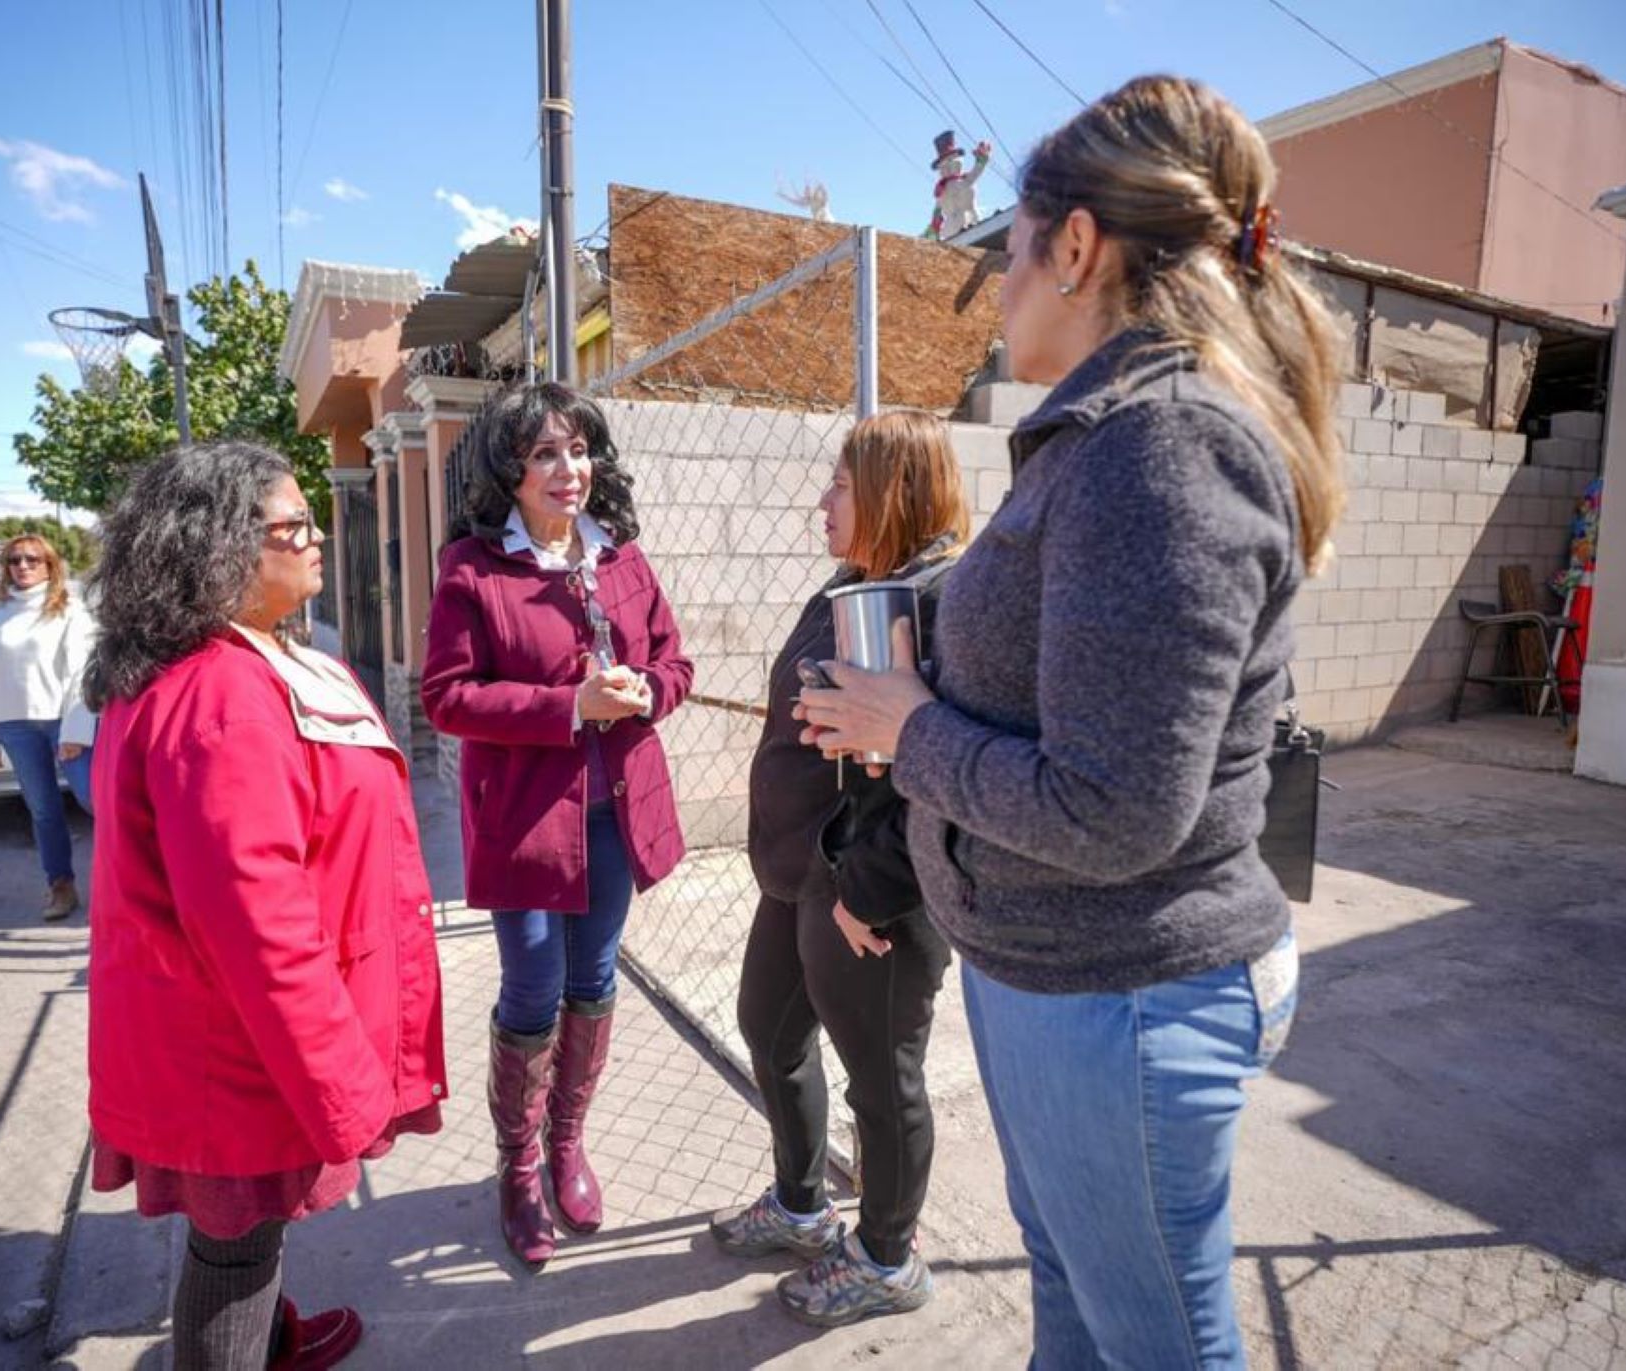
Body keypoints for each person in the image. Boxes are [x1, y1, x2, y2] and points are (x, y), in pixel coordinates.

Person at [797, 75, 1343, 1368]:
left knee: (1154, 1339)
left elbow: (1116, 806)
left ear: (1079, 246)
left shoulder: (1161, 451)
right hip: (1068, 983)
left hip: (1126, 998)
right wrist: (920, 699)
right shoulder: (1109, 440)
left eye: (1009, 258)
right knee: (1082, 1310)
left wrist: (911, 721)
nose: (999, 292)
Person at [83, 443, 447, 1371]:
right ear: (219, 550)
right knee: (234, 1249)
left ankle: (274, 1338)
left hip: (221, 1036)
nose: (319, 538)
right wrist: (346, 1089)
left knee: (246, 1238)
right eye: (295, 525)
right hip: (237, 1050)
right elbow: (260, 930)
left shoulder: (229, 664)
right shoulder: (225, 698)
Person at [420, 382, 692, 1271]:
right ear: (511, 470)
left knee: (595, 974)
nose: (567, 469)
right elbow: (447, 696)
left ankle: (568, 1143)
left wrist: (650, 689)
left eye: (577, 450)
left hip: (616, 811)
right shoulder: (472, 567)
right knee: (534, 980)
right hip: (527, 820)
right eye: (544, 454)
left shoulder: (623, 558)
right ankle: (518, 1165)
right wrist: (566, 703)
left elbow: (674, 659)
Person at [712, 411, 967, 1327]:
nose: (821, 498)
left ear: (892, 491)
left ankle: (887, 1258)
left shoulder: (935, 601)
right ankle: (802, 1203)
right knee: (769, 1029)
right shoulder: (856, 582)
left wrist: (867, 887)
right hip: (808, 871)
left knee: (881, 1072)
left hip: (872, 888)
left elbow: (928, 772)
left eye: (839, 482)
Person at [0, 533, 96, 921]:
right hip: (14, 725)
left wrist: (76, 731)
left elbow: (81, 672)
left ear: (50, 565)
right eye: (14, 560)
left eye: (31, 559)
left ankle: (127, 884)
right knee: (43, 810)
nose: (22, 566)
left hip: (63, 721)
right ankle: (61, 886)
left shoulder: (70, 611)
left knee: (97, 802)